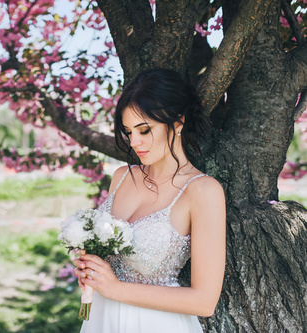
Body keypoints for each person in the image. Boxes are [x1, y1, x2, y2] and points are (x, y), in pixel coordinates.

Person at [73, 68, 226, 332]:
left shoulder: (202, 191)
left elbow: (205, 301)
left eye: (144, 130)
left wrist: (115, 288)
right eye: (128, 131)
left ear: (177, 123)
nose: (134, 142)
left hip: (155, 323)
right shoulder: (122, 177)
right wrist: (93, 269)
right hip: (102, 319)